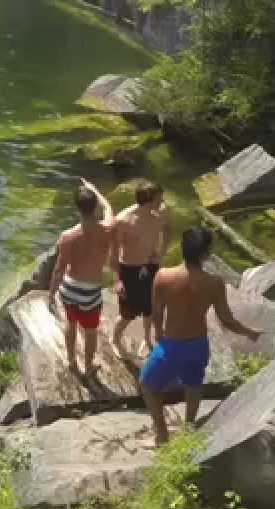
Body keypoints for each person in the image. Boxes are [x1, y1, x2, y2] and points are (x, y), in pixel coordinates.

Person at [140, 227, 262, 446]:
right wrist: (250, 332)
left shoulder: (163, 276)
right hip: (198, 344)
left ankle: (162, 435)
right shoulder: (214, 283)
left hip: (172, 345)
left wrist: (157, 335)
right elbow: (227, 320)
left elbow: (156, 313)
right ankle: (188, 428)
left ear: (182, 249)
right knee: (193, 385)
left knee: (147, 385)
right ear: (206, 254)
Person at [49, 178, 116, 380]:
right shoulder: (107, 229)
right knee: (90, 330)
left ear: (76, 208)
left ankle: (71, 361)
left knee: (70, 322)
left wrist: (52, 293)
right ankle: (88, 367)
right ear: (94, 206)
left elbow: (59, 269)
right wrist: (94, 189)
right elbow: (108, 208)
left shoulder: (67, 236)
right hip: (90, 291)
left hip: (69, 287)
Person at [111, 182, 170, 360]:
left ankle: (146, 338)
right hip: (129, 270)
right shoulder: (124, 221)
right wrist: (117, 280)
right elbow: (113, 254)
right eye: (159, 199)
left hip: (150, 267)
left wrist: (161, 252)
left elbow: (168, 230)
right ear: (148, 201)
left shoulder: (160, 213)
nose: (163, 202)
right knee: (127, 314)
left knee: (150, 308)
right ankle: (115, 339)